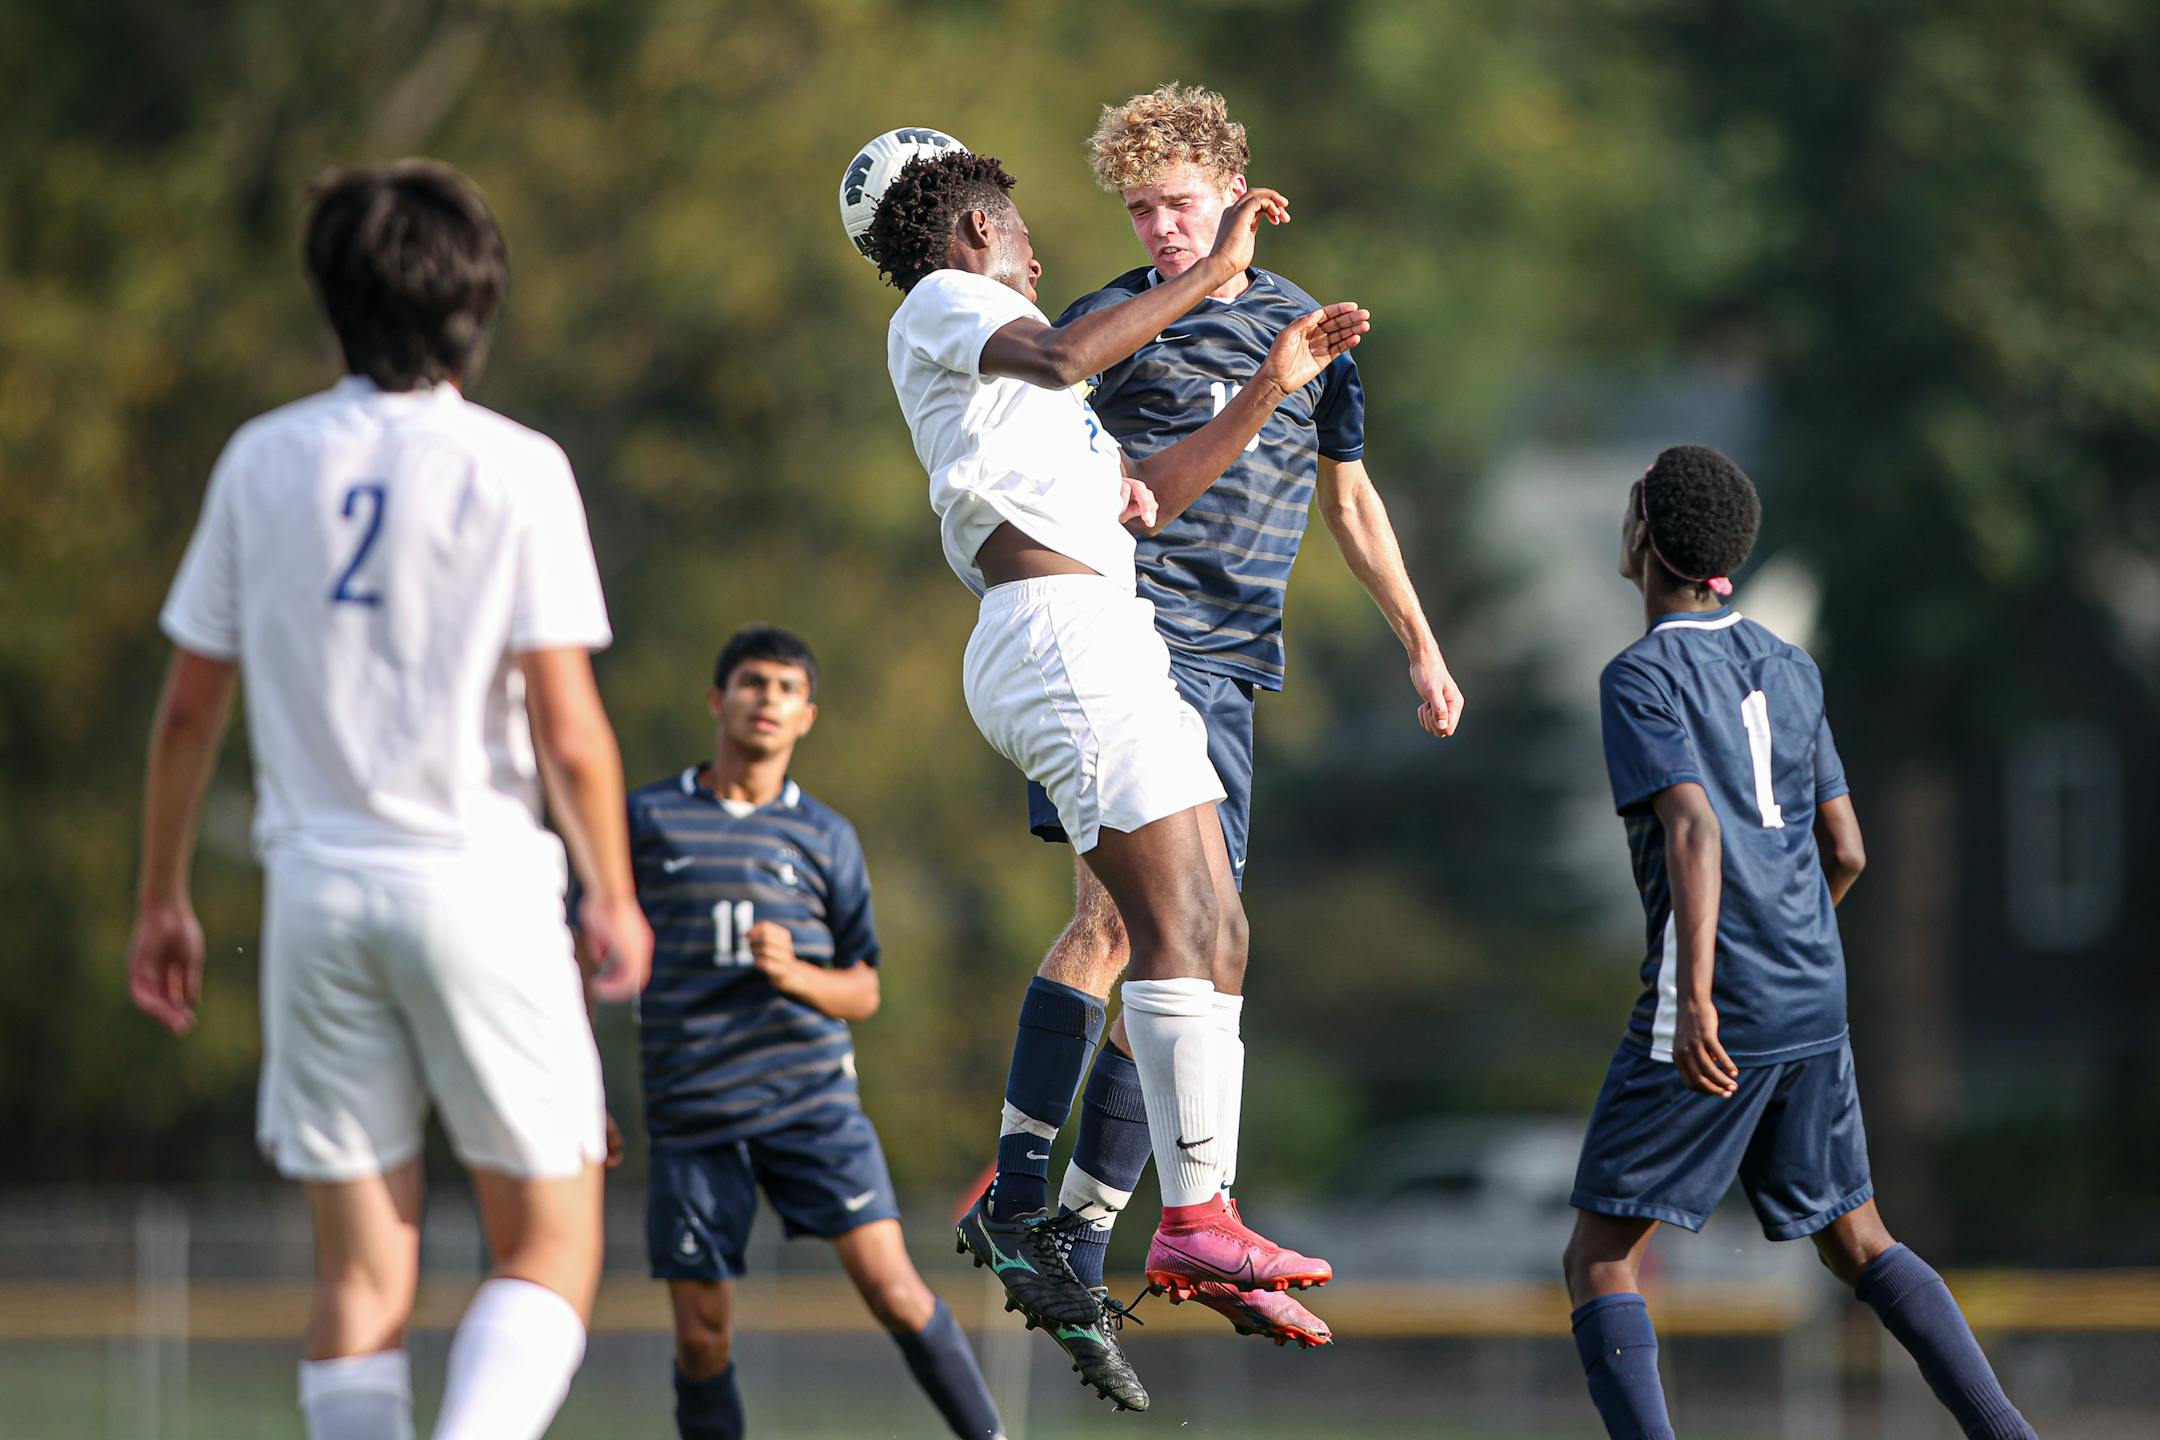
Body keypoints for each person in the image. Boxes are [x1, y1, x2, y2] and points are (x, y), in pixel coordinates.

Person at [125, 160, 652, 1440]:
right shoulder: (517, 466)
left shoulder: (263, 459)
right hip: (477, 882)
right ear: (479, 304)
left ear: (332, 300)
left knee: (361, 1277)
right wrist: (614, 895)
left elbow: (193, 703)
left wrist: (164, 897)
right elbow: (568, 726)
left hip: (313, 894)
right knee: (551, 1240)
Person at [859, 142, 1365, 1408]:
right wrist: (1221, 273)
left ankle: (1159, 1210)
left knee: (1211, 926)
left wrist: (1268, 380)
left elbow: (1156, 496)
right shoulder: (953, 302)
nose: (1040, 246)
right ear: (974, 224)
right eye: (1020, 223)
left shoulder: (1030, 388)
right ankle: (1176, 1216)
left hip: (1101, 632)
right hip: (1059, 635)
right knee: (1168, 921)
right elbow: (1072, 350)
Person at [1016, 84, 1467, 1384]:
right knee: (1132, 933)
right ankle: (1039, 1205)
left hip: (1235, 665)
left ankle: (1098, 1233)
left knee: (1192, 961)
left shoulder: (1308, 327)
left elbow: (1352, 502)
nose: (1159, 226)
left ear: (1233, 190)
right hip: (1133, 648)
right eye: (1141, 207)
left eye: (1180, 204)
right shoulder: (1104, 325)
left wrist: (1420, 642)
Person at [1562, 444, 2035, 1440]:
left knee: (1602, 1256)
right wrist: (1791, 939)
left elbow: (1691, 828)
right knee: (1858, 1237)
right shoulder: (1790, 664)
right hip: (1813, 987)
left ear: (1643, 536)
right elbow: (1849, 849)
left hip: (1718, 997)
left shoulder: (1639, 676)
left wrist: (1698, 995)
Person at [617, 625, 1003, 1440]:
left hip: (811, 1106)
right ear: (718, 700)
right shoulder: (646, 819)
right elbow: (594, 951)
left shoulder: (825, 836)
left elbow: (864, 988)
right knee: (699, 1335)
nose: (769, 701)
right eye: (753, 683)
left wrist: (797, 976)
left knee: (895, 1292)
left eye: (788, 690)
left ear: (808, 717)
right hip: (693, 1112)